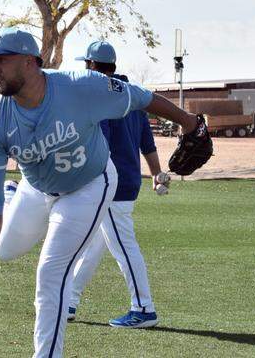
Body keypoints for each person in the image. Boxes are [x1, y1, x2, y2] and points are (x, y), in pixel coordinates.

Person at [0, 27, 207, 358]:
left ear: (29, 62)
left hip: (88, 185)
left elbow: (140, 97)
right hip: (36, 188)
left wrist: (188, 122)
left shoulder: (81, 86)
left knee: (51, 274)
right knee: (5, 252)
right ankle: (16, 198)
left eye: (3, 60)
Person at [67, 40, 165, 328]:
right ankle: (69, 301)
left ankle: (144, 308)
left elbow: (102, 145)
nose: (84, 69)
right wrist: (156, 174)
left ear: (94, 67)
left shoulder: (101, 97)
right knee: (95, 244)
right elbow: (147, 141)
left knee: (123, 246)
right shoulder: (132, 95)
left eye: (86, 64)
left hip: (111, 183)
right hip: (128, 180)